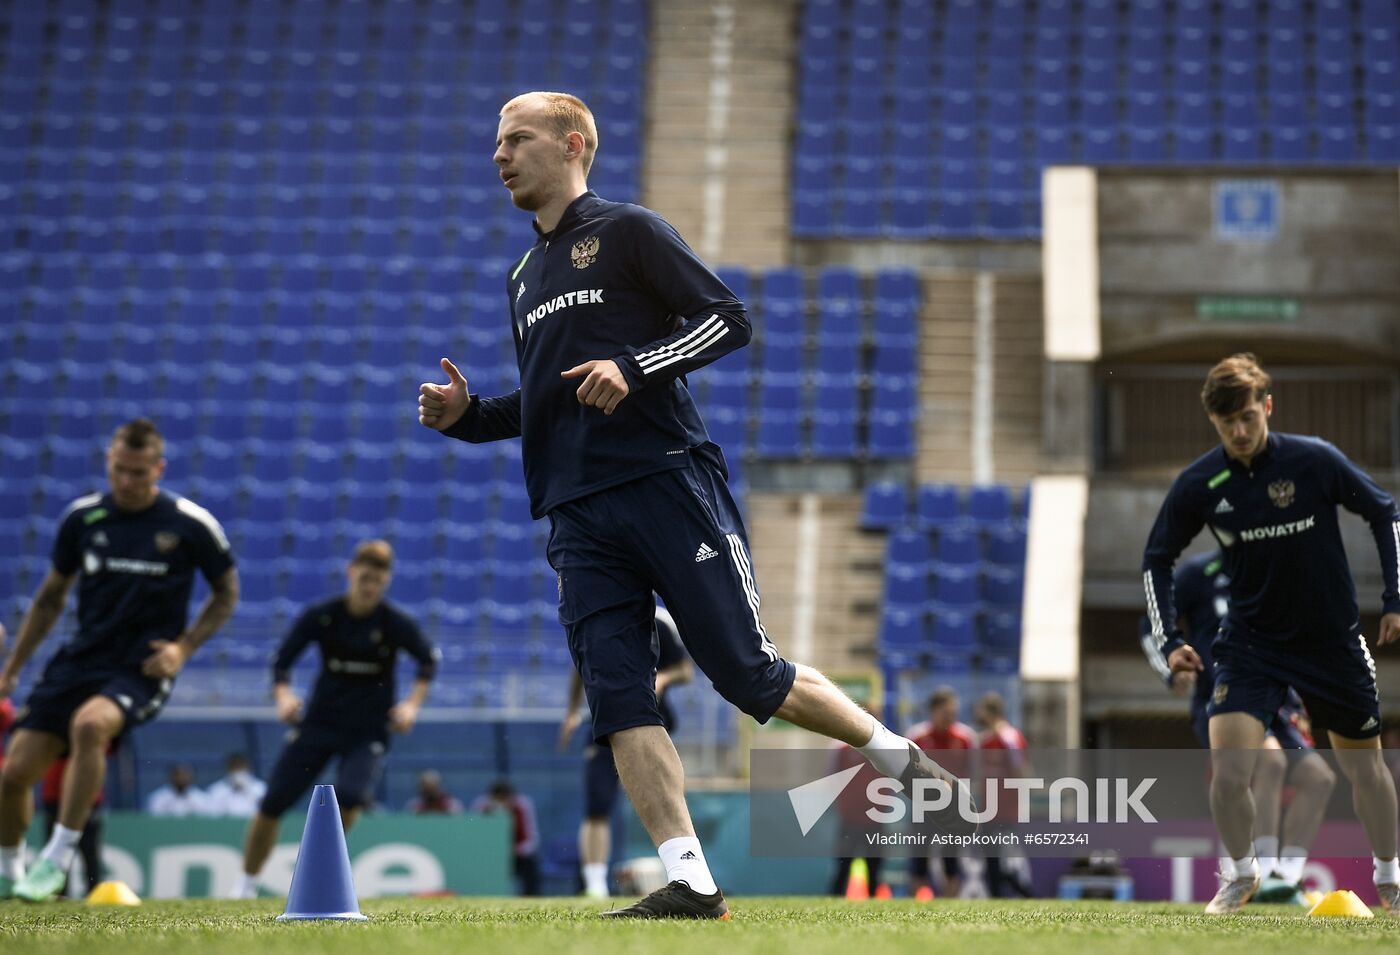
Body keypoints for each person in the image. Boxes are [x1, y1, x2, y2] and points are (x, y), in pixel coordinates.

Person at [417, 90, 970, 920]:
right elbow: (547, 402)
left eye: (516, 139)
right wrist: (468, 418)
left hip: (667, 483)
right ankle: (692, 881)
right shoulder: (523, 275)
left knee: (750, 675)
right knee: (619, 701)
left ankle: (896, 755)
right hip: (575, 515)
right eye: (497, 142)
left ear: (571, 145)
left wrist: (635, 366)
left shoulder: (629, 231)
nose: (499, 155)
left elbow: (728, 319)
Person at [1142, 353, 1400, 915]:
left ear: (1268, 407)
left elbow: (1385, 511)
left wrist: (1394, 599)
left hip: (1330, 640)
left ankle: (1390, 877)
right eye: (1227, 422)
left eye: (1248, 418)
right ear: (1213, 421)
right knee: (1230, 773)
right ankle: (1241, 875)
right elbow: (1156, 558)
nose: (1239, 431)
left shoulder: (1314, 460)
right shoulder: (1200, 483)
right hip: (1250, 643)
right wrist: (1168, 642)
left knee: (1365, 771)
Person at [0, 418, 239, 902]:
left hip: (142, 666)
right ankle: (10, 872)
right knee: (14, 774)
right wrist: (12, 669)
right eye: (119, 471)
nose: (127, 482)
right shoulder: (83, 518)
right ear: (109, 463)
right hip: (81, 658)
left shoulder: (190, 524)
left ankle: (57, 860)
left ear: (159, 469)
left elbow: (226, 592)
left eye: (138, 473)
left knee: (90, 726)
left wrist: (183, 648)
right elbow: (49, 600)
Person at [231, 540, 437, 900]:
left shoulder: (394, 623)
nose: (369, 586)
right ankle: (244, 885)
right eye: (365, 577)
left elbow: (428, 661)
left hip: (368, 730)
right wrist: (284, 697)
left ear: (387, 581)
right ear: (351, 573)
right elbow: (281, 661)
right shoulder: (322, 615)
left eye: (377, 580)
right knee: (273, 802)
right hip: (319, 723)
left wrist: (411, 706)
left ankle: (318, 871)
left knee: (352, 797)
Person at [1138, 549, 1335, 903]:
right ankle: (1263, 872)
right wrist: (1170, 668)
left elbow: (1294, 638)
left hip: (1276, 697)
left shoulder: (1277, 569)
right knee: (1270, 763)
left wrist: (1300, 698)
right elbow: (1150, 623)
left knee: (1319, 778)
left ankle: (1287, 878)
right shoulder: (1199, 572)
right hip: (1224, 697)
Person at [559, 606, 692, 898]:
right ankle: (595, 885)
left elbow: (685, 670)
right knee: (597, 804)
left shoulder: (658, 622)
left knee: (665, 800)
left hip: (651, 721)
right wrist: (571, 712)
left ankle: (685, 874)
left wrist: (664, 678)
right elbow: (580, 665)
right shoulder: (598, 618)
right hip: (606, 721)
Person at [905, 687, 976, 900]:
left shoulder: (965, 738)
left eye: (953, 713)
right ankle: (914, 905)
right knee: (919, 859)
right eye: (946, 713)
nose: (950, 717)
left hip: (952, 808)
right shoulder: (917, 737)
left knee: (951, 859)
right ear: (933, 711)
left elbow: (973, 775)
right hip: (923, 808)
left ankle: (950, 904)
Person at [973, 692, 1034, 898]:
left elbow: (1021, 769)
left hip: (1006, 810)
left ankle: (1026, 894)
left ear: (989, 712)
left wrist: (1018, 799)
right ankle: (997, 897)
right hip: (989, 809)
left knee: (1001, 860)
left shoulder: (1009, 737)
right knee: (992, 859)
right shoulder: (984, 740)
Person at [40, 756, 104, 897]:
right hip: (55, 796)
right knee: (56, 849)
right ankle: (58, 893)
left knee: (90, 851)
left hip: (86, 796)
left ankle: (94, 892)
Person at [470, 780, 541, 896]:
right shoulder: (482, 806)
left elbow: (532, 839)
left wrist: (514, 851)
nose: (502, 803)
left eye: (505, 798)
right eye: (499, 799)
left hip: (516, 856)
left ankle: (530, 896)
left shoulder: (523, 806)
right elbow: (474, 834)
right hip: (489, 856)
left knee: (530, 864)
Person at [204, 753, 267, 818]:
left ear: (248, 768)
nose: (237, 771)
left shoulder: (260, 788)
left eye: (241, 767)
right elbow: (212, 813)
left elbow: (266, 811)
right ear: (228, 769)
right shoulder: (216, 790)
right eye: (234, 767)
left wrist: (246, 789)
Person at [145, 763, 211, 817]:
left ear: (192, 776)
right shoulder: (157, 798)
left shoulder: (201, 798)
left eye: (185, 775)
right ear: (171, 776)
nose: (181, 778)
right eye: (177, 774)